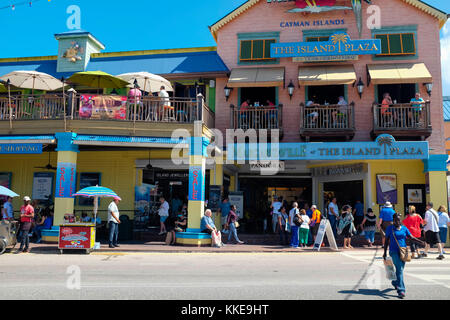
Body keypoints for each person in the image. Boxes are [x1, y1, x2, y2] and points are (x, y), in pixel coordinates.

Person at [383, 213, 425, 299]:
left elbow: (411, 237)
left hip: (404, 251)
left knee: (400, 269)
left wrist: (420, 242)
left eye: (399, 220)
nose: (398, 221)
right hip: (393, 251)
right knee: (400, 269)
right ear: (393, 220)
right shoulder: (390, 228)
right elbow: (387, 241)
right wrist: (384, 252)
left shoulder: (404, 228)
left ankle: (395, 282)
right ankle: (401, 290)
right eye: (396, 220)